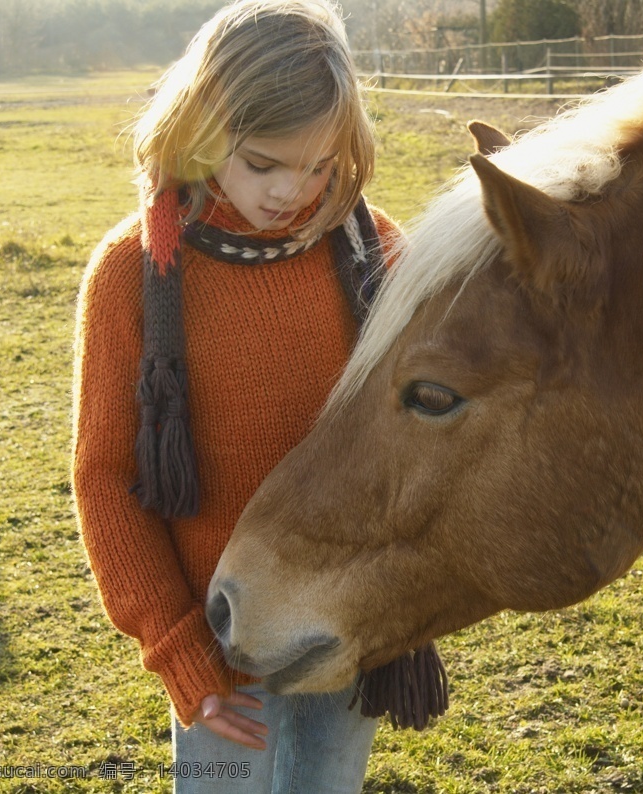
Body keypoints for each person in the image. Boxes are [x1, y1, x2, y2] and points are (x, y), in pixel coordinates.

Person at [71, 1, 397, 790]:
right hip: (220, 644)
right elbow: (105, 477)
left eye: (321, 165)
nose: (297, 190)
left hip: (348, 623)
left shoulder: (374, 251)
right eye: (264, 163)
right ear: (201, 130)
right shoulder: (133, 276)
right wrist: (174, 645)